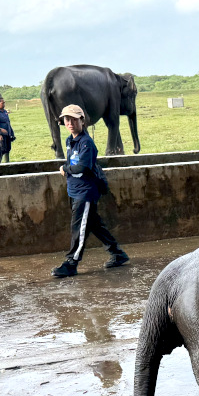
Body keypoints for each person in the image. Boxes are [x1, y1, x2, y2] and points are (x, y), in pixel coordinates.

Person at [52, 104, 130, 278]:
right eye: (67, 119)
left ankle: (71, 263)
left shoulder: (86, 143)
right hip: (75, 190)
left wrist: (65, 169)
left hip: (85, 193)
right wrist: (68, 168)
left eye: (74, 119)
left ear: (82, 120)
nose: (70, 123)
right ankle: (117, 254)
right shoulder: (70, 141)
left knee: (78, 228)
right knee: (94, 225)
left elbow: (82, 168)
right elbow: (74, 163)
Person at [0, 93, 15, 163]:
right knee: (2, 150)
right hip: (1, 135)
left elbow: (8, 123)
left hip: (7, 134)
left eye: (4, 103)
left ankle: (7, 163)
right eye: (2, 103)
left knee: (8, 149)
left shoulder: (4, 112)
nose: (4, 104)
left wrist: (11, 133)